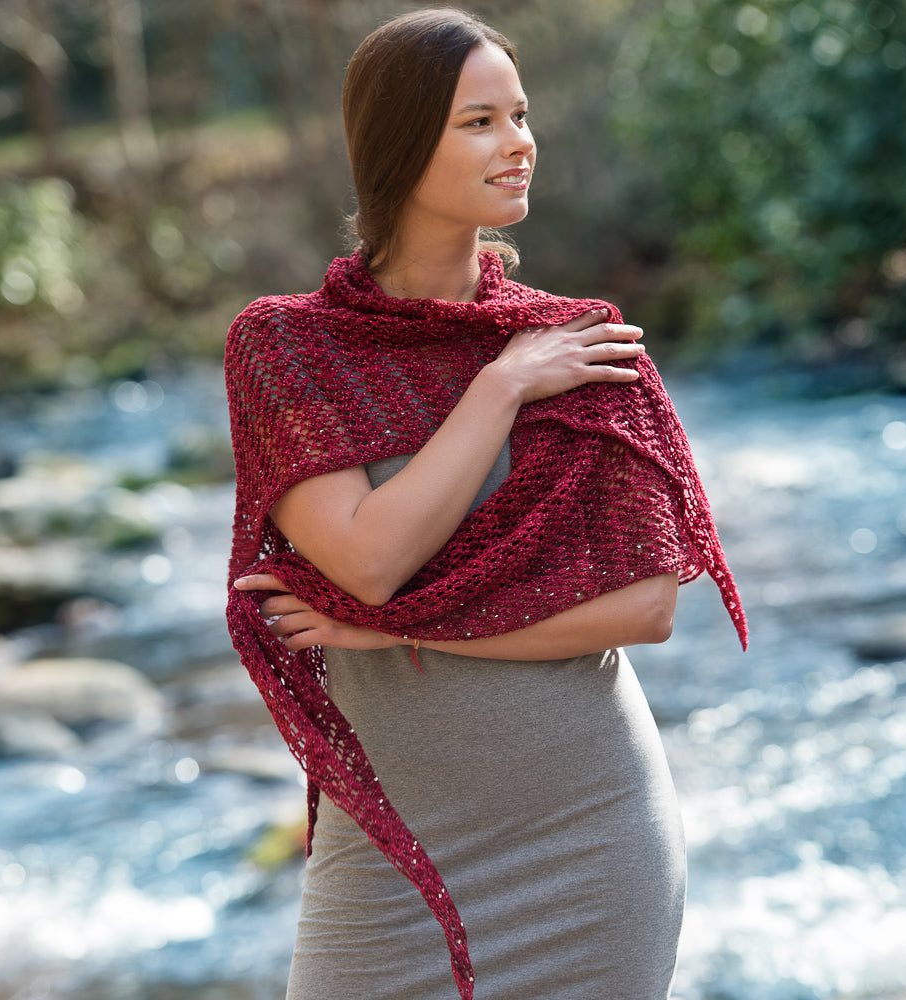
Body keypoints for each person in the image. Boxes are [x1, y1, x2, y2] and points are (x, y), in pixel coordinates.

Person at [225, 9, 747, 1000]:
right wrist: (499, 386)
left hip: (590, 830)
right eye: (479, 121)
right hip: (388, 847)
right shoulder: (288, 349)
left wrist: (387, 635)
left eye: (520, 115)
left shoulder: (584, 345)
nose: (519, 144)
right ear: (397, 141)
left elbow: (644, 609)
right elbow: (367, 562)